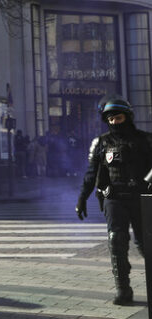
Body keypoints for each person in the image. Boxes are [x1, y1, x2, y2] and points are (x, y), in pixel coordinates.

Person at [76, 96, 152, 305]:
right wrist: (82, 198)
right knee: (116, 240)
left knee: (146, 244)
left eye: (118, 118)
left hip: (141, 197)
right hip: (114, 198)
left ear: (127, 117)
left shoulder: (146, 140)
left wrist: (147, 183)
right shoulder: (101, 143)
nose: (115, 122)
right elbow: (91, 174)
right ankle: (123, 290)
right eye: (111, 119)